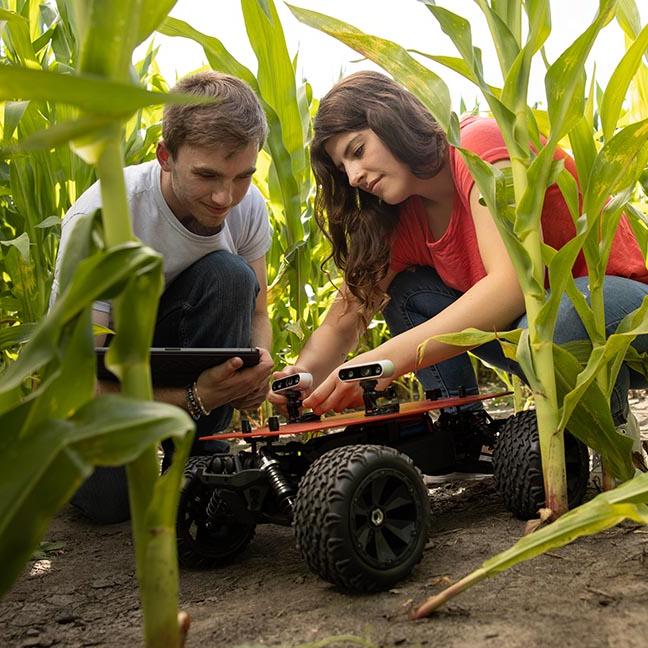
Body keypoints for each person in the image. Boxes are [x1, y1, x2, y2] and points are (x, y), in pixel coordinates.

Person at [273, 70, 648, 465]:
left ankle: (619, 445)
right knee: (408, 294)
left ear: (391, 119)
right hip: (530, 341)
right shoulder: (401, 220)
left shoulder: (478, 147)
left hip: (623, 319)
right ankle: (465, 434)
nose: (353, 177)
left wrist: (384, 360)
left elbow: (514, 285)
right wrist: (301, 376)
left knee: (564, 313)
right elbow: (343, 320)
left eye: (358, 150)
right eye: (342, 168)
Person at [50, 71, 274, 523]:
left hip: (184, 361)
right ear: (165, 156)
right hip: (102, 383)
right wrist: (196, 396)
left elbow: (257, 313)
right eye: (207, 175)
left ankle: (196, 464)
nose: (224, 196)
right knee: (111, 507)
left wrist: (255, 372)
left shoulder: (245, 207)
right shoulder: (102, 219)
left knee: (230, 275)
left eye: (242, 176)